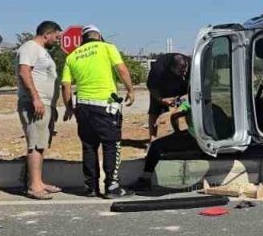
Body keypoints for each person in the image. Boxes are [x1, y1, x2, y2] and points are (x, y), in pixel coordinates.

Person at [61, 25, 136, 198]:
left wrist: (69, 107)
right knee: (111, 145)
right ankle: (112, 187)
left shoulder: (72, 56)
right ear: (99, 37)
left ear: (82, 40)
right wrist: (130, 90)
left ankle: (91, 187)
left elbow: (65, 85)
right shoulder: (107, 47)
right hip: (105, 106)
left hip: (83, 107)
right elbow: (121, 69)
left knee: (89, 147)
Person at [17, 21, 63, 200]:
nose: (57, 41)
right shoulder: (30, 47)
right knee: (35, 144)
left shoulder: (42, 51)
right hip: (34, 103)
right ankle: (34, 186)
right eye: (56, 37)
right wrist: (36, 98)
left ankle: (38, 181)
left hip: (45, 104)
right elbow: (24, 72)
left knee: (41, 144)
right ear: (47, 34)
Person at [131, 101, 201, 191]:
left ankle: (145, 179)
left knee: (156, 145)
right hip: (212, 141)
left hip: (194, 139)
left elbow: (174, 115)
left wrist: (177, 131)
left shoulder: (191, 102)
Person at [146, 52, 190, 139]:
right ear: (171, 68)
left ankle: (182, 133)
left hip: (181, 85)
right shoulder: (158, 69)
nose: (184, 73)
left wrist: (184, 97)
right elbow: (151, 86)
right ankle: (153, 138)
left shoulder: (191, 63)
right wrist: (161, 99)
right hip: (161, 87)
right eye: (181, 71)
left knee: (186, 107)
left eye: (185, 70)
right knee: (154, 111)